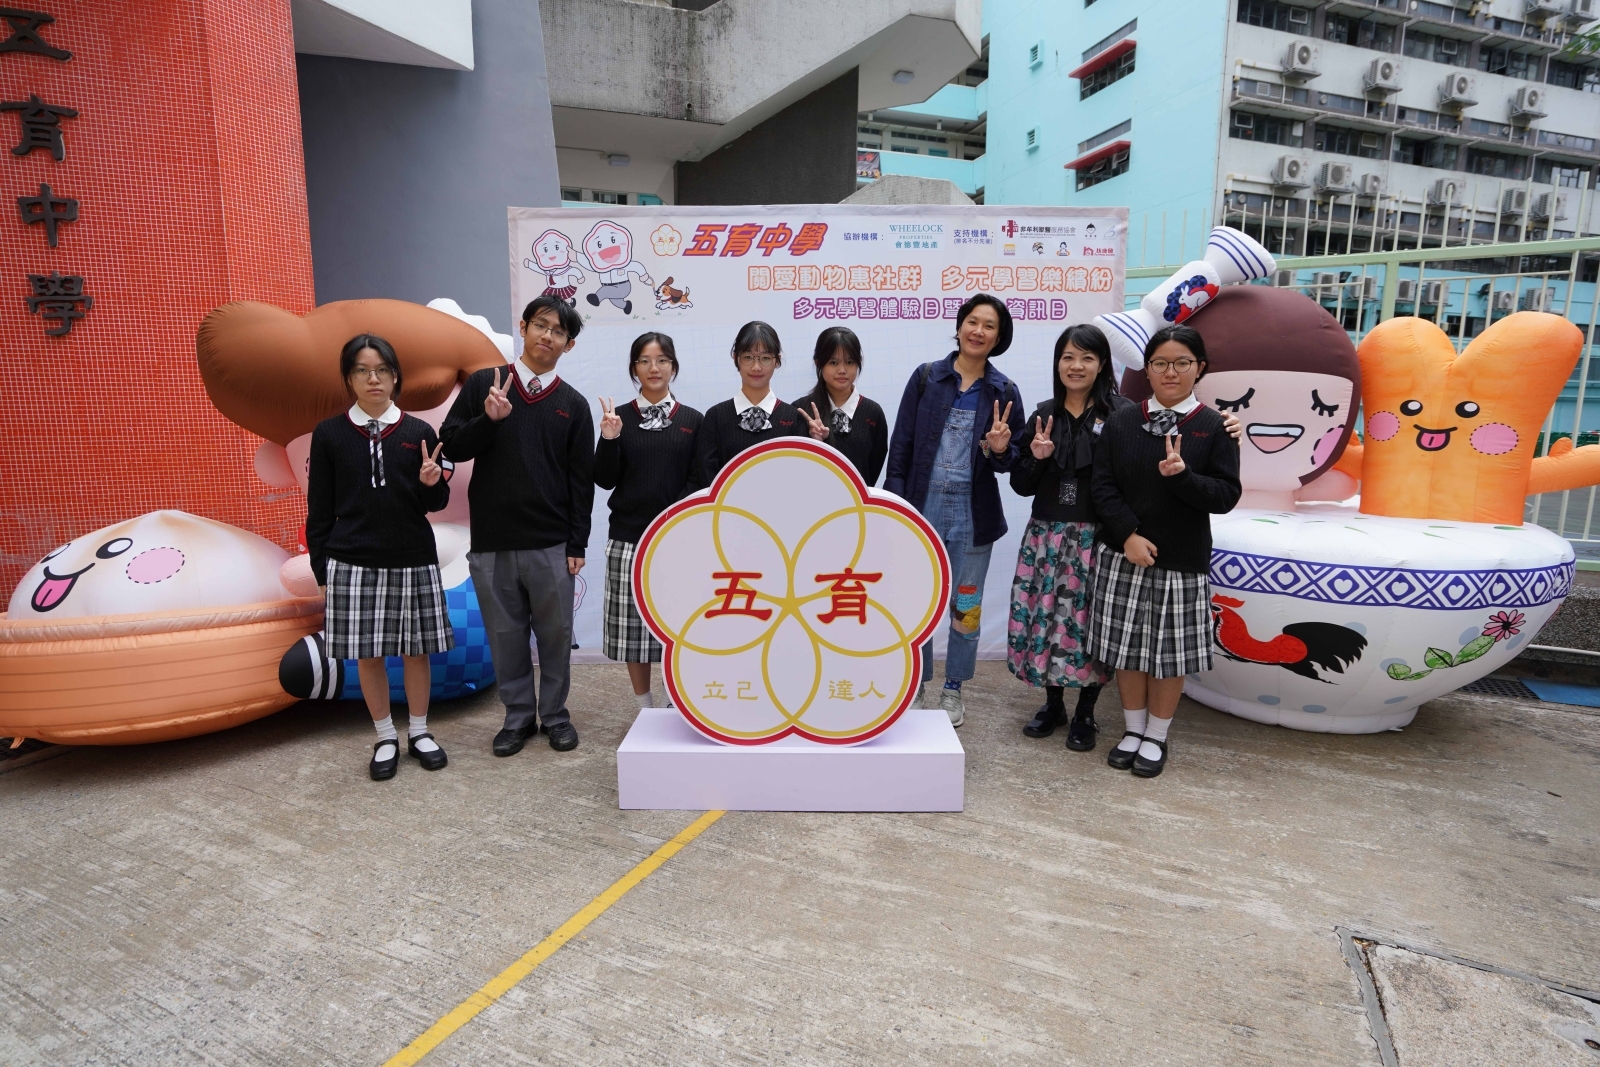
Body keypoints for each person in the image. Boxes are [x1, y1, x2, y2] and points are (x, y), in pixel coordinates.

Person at [440, 295, 594, 757]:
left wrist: (577, 542)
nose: (548, 336)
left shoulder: (573, 404)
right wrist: (488, 420)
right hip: (492, 541)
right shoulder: (485, 385)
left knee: (555, 636)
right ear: (523, 328)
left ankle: (556, 716)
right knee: (506, 637)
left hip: (551, 543)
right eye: (541, 325)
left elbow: (580, 481)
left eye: (559, 332)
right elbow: (452, 445)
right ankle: (518, 718)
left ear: (568, 345)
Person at [1088, 324, 1241, 778]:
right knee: (1127, 650)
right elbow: (1102, 486)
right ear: (1147, 370)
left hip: (1181, 561)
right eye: (1160, 363)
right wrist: (1128, 535)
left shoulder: (1215, 427)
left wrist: (1183, 478)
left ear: (1200, 368)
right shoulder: (1121, 420)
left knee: (1168, 655)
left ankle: (1156, 735)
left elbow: (1225, 496)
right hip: (1123, 554)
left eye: (1181, 363)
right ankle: (1133, 730)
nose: (1170, 372)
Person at [306, 334, 455, 781]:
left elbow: (436, 504)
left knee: (416, 652)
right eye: (362, 370)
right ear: (349, 378)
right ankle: (385, 735)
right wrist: (321, 571)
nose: (373, 379)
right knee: (368, 656)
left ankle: (420, 732)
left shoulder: (418, 432)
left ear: (395, 377)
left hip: (413, 556)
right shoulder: (329, 434)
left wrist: (431, 482)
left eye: (382, 370)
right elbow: (319, 510)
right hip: (351, 561)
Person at [885, 293, 1027, 727]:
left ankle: (953, 689)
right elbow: (901, 446)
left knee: (966, 607)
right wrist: (896, 508)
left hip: (972, 515)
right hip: (922, 508)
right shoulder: (927, 377)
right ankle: (917, 684)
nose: (978, 331)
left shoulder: (1004, 391)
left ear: (999, 338)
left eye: (989, 326)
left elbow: (1013, 462)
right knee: (917, 600)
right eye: (972, 321)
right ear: (960, 325)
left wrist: (999, 449)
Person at [1006, 325, 1128, 750]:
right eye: (1068, 357)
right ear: (1057, 363)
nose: (1076, 366)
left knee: (1088, 624)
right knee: (1047, 619)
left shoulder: (1122, 415)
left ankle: (1086, 713)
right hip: (1046, 536)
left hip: (1097, 539)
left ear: (1102, 365)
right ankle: (1053, 704)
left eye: (1087, 358)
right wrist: (1037, 458)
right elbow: (1020, 484)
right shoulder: (1043, 415)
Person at [594, 332, 703, 708]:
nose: (653, 368)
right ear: (634, 368)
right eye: (644, 361)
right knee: (633, 632)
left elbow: (699, 480)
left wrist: (673, 523)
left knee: (681, 627)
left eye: (661, 360)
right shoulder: (619, 418)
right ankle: (644, 706)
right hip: (629, 538)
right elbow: (604, 479)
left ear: (673, 366)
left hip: (679, 541)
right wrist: (609, 439)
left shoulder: (693, 420)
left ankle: (677, 702)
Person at [692, 321, 813, 486]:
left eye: (765, 358)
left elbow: (800, 475)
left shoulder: (794, 418)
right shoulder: (716, 417)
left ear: (777, 361)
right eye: (748, 357)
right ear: (736, 358)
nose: (756, 367)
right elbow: (707, 475)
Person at [794, 326, 889, 485]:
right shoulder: (801, 410)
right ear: (818, 363)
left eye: (850, 362)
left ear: (859, 363)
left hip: (857, 500)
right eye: (833, 362)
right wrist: (815, 442)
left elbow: (872, 469)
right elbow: (794, 468)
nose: (842, 370)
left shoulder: (873, 413)